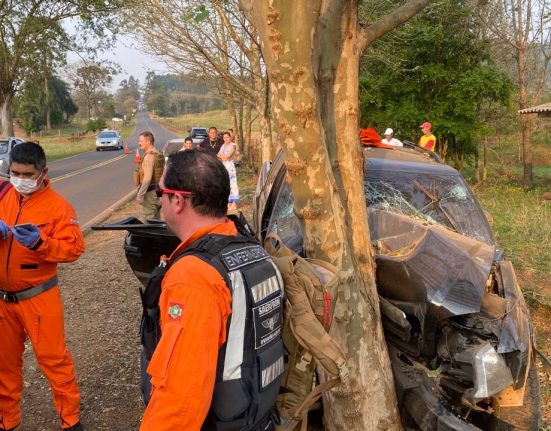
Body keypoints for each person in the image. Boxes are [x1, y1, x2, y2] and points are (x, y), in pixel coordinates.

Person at [140, 149, 284, 431]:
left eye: (161, 192)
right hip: (258, 418)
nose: (161, 200)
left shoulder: (193, 276)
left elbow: (181, 399)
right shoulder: (254, 251)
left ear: (178, 200)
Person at [0, 142, 85, 431]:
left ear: (43, 172)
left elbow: (74, 249)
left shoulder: (59, 207)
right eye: (14, 172)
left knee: (54, 362)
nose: (19, 180)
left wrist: (41, 243)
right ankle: (6, 421)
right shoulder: (2, 195)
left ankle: (70, 421)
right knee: (4, 366)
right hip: (3, 300)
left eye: (27, 174)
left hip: (39, 297)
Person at [135, 131, 164, 221]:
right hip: (158, 192)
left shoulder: (148, 157)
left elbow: (147, 178)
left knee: (146, 222)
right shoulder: (158, 154)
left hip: (150, 195)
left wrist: (140, 195)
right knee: (156, 222)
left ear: (148, 142)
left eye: (141, 141)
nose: (139, 143)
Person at [218, 131, 239, 211]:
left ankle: (234, 203)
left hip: (230, 166)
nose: (225, 139)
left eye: (227, 137)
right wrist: (223, 157)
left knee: (232, 183)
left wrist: (223, 157)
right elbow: (218, 154)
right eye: (224, 137)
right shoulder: (223, 145)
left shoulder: (233, 145)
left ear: (230, 137)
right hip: (223, 165)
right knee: (225, 183)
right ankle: (228, 202)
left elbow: (227, 156)